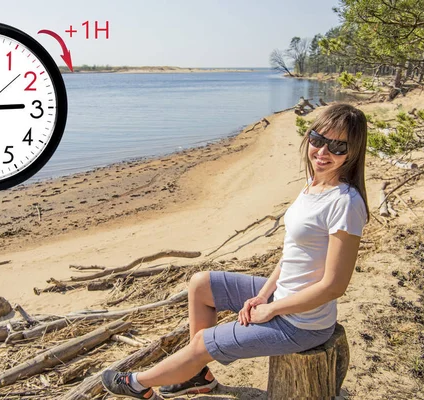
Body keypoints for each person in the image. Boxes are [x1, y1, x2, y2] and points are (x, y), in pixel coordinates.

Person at [101, 103, 370, 399]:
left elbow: (334, 286)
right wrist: (263, 294)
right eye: (318, 139)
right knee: (201, 284)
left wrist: (271, 309)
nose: (322, 152)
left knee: (203, 342)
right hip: (281, 296)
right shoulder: (313, 184)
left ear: (353, 151)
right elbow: (293, 254)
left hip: (302, 324)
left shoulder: (345, 203)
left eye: (337, 146)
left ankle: (138, 383)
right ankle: (195, 376)